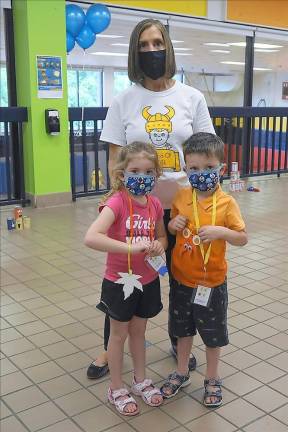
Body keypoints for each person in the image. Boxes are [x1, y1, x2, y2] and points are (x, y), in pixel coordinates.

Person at [87, 18, 215, 380]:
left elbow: (206, 151)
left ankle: (179, 338)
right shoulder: (124, 99)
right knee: (122, 276)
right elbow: (115, 158)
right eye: (143, 45)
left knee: (181, 278)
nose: (151, 50)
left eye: (157, 42)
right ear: (134, 51)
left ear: (168, 47)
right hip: (134, 211)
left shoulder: (192, 97)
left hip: (183, 210)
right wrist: (115, 201)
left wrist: (209, 200)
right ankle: (111, 343)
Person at [160, 132, 248, 407]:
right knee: (183, 331)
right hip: (182, 280)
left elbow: (242, 237)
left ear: (221, 168)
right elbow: (174, 222)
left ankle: (212, 377)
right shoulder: (182, 196)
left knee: (212, 335)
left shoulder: (227, 203)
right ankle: (182, 371)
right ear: (186, 169)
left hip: (211, 282)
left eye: (209, 168)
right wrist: (173, 225)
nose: (202, 174)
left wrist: (222, 231)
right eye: (194, 168)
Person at [84, 142, 167, 415]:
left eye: (148, 171)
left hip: (147, 279)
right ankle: (116, 387)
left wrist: (158, 245)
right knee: (118, 335)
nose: (141, 177)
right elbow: (92, 237)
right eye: (135, 171)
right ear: (122, 174)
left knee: (139, 332)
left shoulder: (154, 203)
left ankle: (140, 380)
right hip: (120, 282)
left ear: (156, 174)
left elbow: (162, 237)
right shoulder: (117, 202)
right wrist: (130, 248)